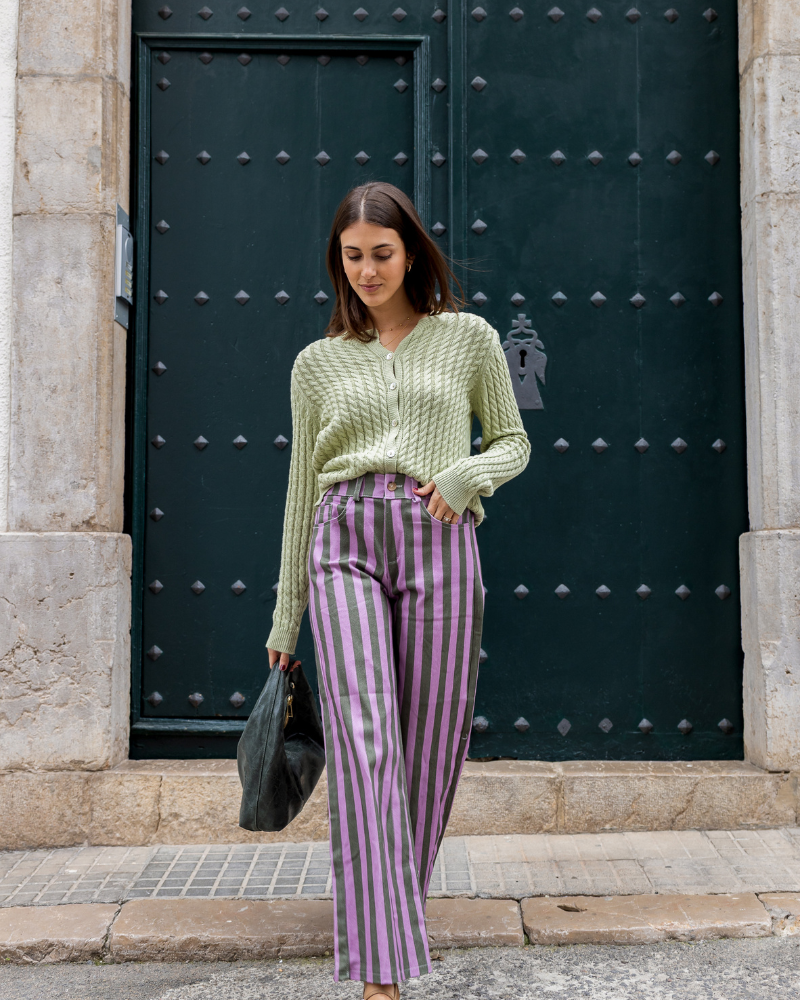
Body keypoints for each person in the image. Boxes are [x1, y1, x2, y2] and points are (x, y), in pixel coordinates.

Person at [266, 181, 530, 998]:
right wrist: (286, 614)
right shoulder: (317, 363)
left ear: (410, 251)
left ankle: (388, 917)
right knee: (367, 740)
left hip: (439, 535)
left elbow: (513, 442)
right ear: (337, 262)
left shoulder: (469, 339)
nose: (368, 271)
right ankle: (383, 975)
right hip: (342, 536)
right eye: (353, 257)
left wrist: (464, 473)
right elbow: (301, 488)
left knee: (431, 745)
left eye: (382, 254)